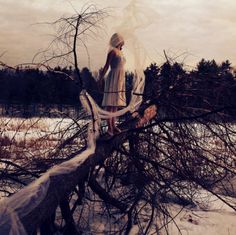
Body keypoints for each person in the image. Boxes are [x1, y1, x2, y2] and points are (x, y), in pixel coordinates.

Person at [100, 33, 126, 136]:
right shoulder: (112, 51)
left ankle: (113, 125)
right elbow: (106, 66)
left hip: (120, 79)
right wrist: (100, 79)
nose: (120, 40)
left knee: (115, 104)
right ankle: (110, 128)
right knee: (110, 104)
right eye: (118, 39)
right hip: (113, 78)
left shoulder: (121, 52)